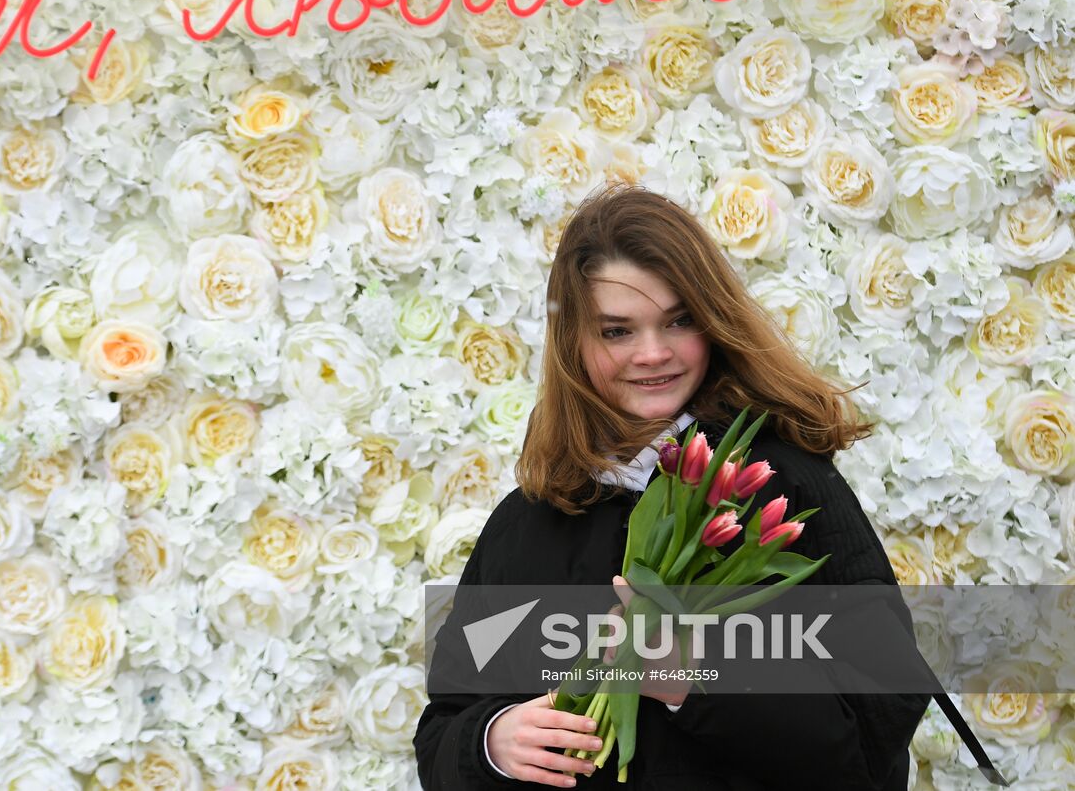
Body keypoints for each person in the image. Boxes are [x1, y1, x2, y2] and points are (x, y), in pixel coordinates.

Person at [413, 184, 990, 790]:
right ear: (574, 342)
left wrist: (696, 681)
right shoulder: (527, 521)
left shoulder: (783, 485)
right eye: (617, 331)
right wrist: (491, 743)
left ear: (712, 323)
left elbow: (873, 736)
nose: (653, 353)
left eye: (678, 321)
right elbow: (445, 725)